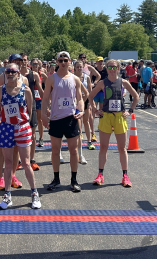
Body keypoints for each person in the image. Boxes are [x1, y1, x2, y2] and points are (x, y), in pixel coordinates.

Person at [0, 63, 41, 210]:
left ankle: (34, 193)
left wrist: (26, 126)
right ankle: (7, 196)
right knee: (8, 163)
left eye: (13, 71)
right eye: (7, 71)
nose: (10, 74)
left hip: (22, 128)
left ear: (18, 73)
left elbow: (30, 109)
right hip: (6, 128)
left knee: (26, 162)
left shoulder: (26, 90)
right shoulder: (1, 90)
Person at [89, 59, 138, 187]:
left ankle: (125, 176)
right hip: (106, 116)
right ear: (106, 68)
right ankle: (100, 174)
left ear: (118, 68)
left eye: (114, 67)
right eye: (109, 67)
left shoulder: (123, 82)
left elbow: (136, 96)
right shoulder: (102, 83)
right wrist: (95, 110)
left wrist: (130, 110)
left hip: (119, 117)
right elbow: (90, 96)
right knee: (103, 148)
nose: (112, 69)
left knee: (122, 148)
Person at [41, 51, 85, 192]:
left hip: (71, 118)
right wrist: (43, 114)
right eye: (60, 60)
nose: (63, 62)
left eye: (65, 60)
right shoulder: (51, 79)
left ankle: (74, 180)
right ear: (57, 62)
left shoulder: (75, 79)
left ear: (70, 61)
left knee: (73, 150)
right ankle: (56, 179)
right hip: (56, 119)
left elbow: (79, 98)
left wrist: (81, 110)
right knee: (55, 151)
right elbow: (46, 98)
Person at [0, 54, 28, 190]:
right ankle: (0, 176)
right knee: (2, 149)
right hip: (4, 120)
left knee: (16, 151)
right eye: (14, 62)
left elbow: (26, 100)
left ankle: (12, 174)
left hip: (19, 121)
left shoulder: (24, 79)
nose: (16, 64)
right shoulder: (0, 79)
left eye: (19, 62)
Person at [19, 53, 43, 171]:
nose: (23, 62)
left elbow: (41, 90)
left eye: (25, 60)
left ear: (27, 61)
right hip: (18, 108)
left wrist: (47, 104)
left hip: (31, 106)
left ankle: (32, 160)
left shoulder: (33, 75)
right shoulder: (14, 74)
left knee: (32, 135)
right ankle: (19, 160)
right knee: (18, 135)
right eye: (21, 60)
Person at [73, 60, 94, 155]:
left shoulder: (87, 78)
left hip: (85, 102)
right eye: (77, 67)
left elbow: (89, 91)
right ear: (74, 68)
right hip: (74, 103)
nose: (79, 68)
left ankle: (89, 141)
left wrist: (89, 102)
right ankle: (78, 142)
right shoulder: (71, 77)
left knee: (86, 121)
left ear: (83, 67)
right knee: (78, 123)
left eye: (80, 67)